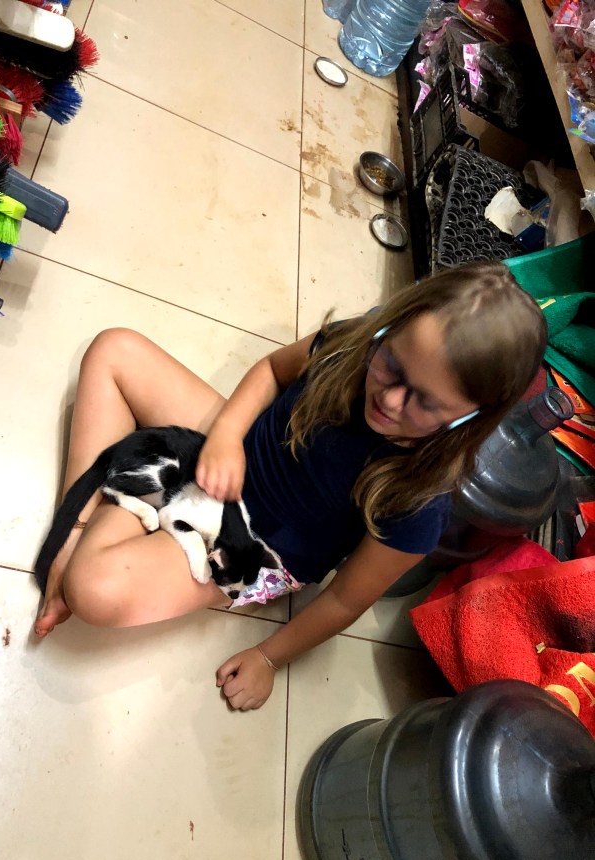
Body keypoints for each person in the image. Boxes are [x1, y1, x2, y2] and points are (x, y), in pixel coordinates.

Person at [35, 262, 547, 711]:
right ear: (389, 327)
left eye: (426, 402)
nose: (391, 400)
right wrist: (228, 435)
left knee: (93, 592)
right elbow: (272, 371)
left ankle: (122, 497)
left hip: (253, 546)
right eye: (391, 363)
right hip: (228, 452)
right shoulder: (354, 341)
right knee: (114, 349)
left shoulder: (420, 500)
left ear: (470, 418)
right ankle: (79, 526)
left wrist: (267, 657)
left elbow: (344, 599)